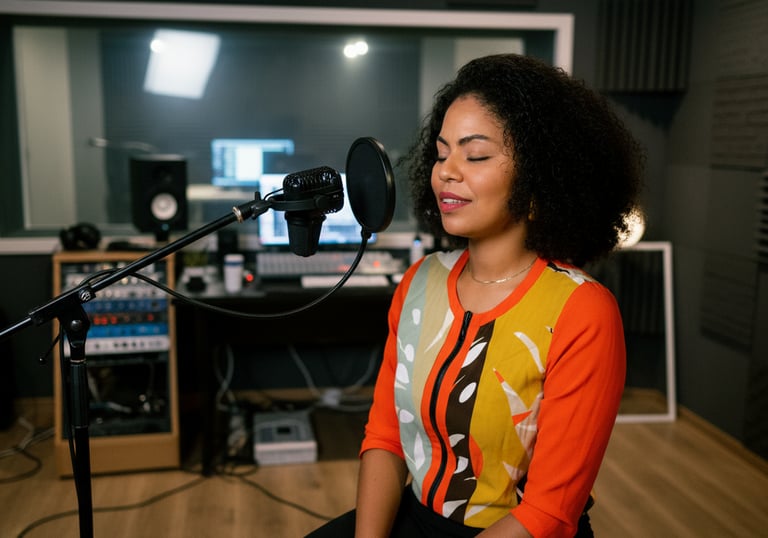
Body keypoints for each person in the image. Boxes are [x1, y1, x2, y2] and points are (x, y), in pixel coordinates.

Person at [307, 53, 643, 538]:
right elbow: (386, 436)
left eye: (476, 155)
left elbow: (547, 513)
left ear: (539, 176)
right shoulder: (419, 280)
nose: (446, 172)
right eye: (442, 153)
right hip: (414, 517)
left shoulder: (582, 311)